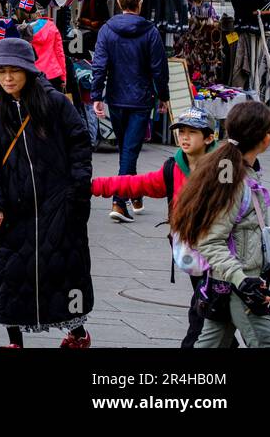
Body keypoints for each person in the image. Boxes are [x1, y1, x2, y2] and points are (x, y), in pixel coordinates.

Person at [0, 37, 94, 348]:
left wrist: (77, 192)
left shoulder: (55, 104)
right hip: (14, 207)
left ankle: (78, 333)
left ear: (29, 70)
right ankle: (15, 340)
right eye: (1, 72)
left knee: (65, 269)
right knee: (11, 275)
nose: (8, 78)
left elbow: (80, 144)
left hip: (58, 203)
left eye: (14, 70)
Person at [91, 108, 222, 347]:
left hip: (220, 258)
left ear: (209, 137)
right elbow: (137, 183)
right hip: (192, 255)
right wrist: (95, 185)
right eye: (181, 131)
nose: (184, 137)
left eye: (192, 132)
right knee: (215, 320)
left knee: (201, 320)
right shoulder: (173, 168)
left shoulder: (222, 169)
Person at [170, 101, 270, 348]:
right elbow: (210, 239)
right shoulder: (231, 177)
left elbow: (245, 230)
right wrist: (243, 280)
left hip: (233, 282)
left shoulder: (241, 171)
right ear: (265, 138)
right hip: (238, 284)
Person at [91, 0, 170, 223]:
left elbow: (99, 64)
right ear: (140, 3)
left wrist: (96, 95)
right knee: (129, 150)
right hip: (140, 99)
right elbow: (159, 68)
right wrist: (164, 96)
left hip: (115, 98)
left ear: (118, 2)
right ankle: (119, 200)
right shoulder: (150, 32)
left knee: (128, 148)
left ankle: (133, 192)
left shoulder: (107, 30)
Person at [20, 0, 65, 93]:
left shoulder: (22, 28)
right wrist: (63, 77)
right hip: (53, 75)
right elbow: (59, 53)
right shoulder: (51, 26)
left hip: (31, 75)